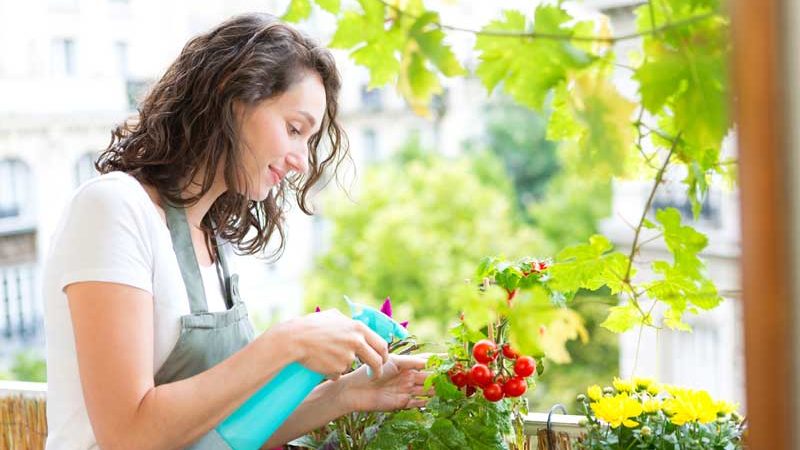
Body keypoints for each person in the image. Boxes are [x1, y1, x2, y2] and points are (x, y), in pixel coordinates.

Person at [43, 13, 430, 449]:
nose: (302, 159)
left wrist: (346, 394)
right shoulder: (114, 209)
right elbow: (128, 435)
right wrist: (285, 344)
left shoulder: (210, 237)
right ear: (233, 99)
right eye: (294, 129)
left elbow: (228, 431)